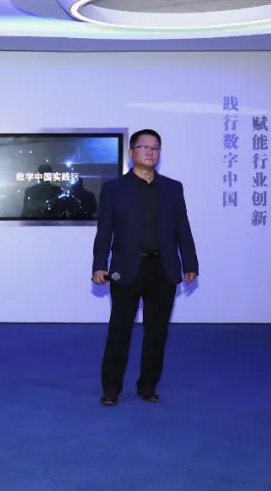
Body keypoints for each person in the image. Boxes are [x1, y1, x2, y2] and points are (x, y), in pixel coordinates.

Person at [92, 129, 198, 406]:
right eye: (145, 147)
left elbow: (182, 228)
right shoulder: (114, 189)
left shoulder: (173, 188)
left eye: (155, 148)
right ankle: (111, 387)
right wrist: (99, 265)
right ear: (131, 153)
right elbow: (104, 232)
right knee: (120, 331)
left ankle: (148, 385)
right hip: (126, 269)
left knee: (157, 333)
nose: (151, 152)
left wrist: (190, 262)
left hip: (163, 269)